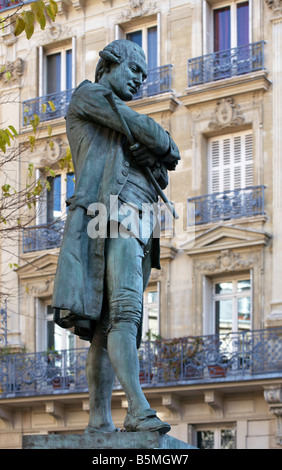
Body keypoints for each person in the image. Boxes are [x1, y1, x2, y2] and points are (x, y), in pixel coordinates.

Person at [52, 39, 180, 434]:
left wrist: (155, 158)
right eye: (134, 71)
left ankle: (99, 422)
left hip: (139, 222)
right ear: (108, 64)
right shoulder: (90, 96)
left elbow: (167, 158)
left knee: (107, 329)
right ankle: (138, 409)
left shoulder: (118, 116)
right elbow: (159, 139)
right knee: (124, 314)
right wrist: (156, 149)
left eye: (144, 76)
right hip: (111, 215)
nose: (140, 81)